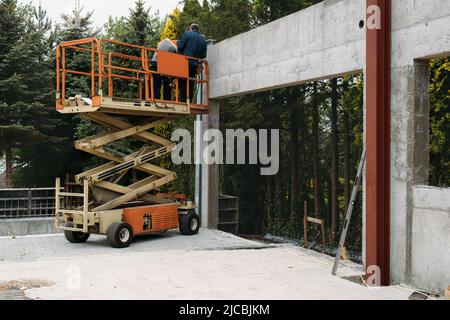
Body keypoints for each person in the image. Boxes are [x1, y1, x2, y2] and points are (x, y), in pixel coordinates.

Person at [177, 23, 207, 103]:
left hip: (185, 62)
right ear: (197, 29)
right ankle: (188, 100)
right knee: (190, 82)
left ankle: (183, 100)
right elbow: (204, 55)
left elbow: (180, 47)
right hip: (195, 64)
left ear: (191, 28)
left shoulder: (187, 34)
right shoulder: (202, 39)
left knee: (182, 81)